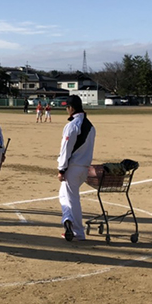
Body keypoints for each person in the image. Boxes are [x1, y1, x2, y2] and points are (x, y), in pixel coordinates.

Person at [57, 95, 96, 241]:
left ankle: (78, 231)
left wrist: (62, 169)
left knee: (72, 199)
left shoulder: (72, 125)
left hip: (73, 167)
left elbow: (66, 149)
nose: (66, 110)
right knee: (63, 195)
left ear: (71, 108)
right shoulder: (90, 126)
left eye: (66, 107)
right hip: (84, 167)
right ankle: (67, 219)